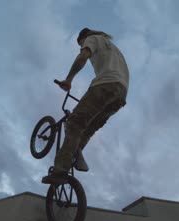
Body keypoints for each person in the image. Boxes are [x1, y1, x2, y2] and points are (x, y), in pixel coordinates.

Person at [42, 28, 129, 184]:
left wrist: (68, 79)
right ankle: (76, 152)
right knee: (88, 129)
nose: (82, 46)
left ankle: (60, 170)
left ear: (83, 38)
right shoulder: (113, 48)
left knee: (74, 123)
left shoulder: (92, 39)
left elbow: (83, 56)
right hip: (121, 94)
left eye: (80, 44)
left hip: (105, 85)